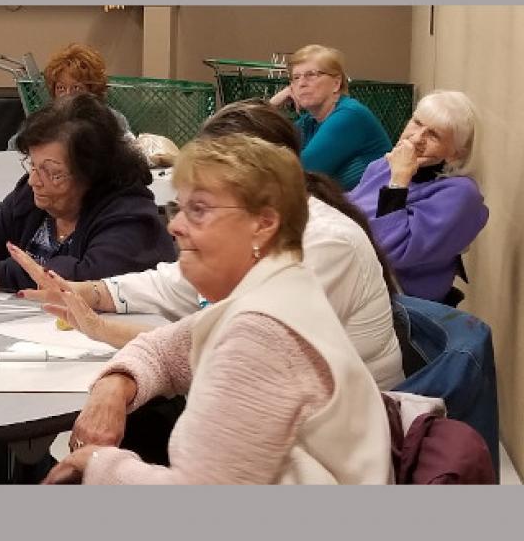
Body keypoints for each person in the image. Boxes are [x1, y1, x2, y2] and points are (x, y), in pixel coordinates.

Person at [43, 134, 393, 484]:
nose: (174, 226)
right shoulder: (280, 289)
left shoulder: (261, 335)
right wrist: (115, 386)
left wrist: (99, 465)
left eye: (199, 210)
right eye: (179, 208)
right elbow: (164, 349)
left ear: (264, 223)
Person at [20, 99, 405, 390]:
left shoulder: (325, 244)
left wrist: (102, 330)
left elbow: (227, 350)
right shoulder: (262, 223)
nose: (176, 228)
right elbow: (176, 285)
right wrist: (91, 292)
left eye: (202, 203)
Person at [0, 93, 174, 296]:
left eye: (52, 172)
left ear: (93, 172)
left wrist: (0, 274)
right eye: (32, 165)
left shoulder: (129, 215)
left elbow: (88, 277)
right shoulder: (31, 196)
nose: (35, 180)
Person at [348, 90, 488, 303]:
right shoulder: (384, 166)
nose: (416, 138)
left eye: (434, 135)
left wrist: (399, 181)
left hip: (397, 303)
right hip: (354, 277)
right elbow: (347, 210)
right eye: (416, 122)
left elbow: (391, 251)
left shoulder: (460, 195)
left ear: (456, 153)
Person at [268, 44, 392, 190]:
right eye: (295, 78)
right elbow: (257, 148)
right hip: (341, 207)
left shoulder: (349, 115)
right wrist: (271, 106)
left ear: (336, 83)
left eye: (311, 75)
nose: (301, 83)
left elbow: (300, 173)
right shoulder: (310, 121)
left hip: (371, 209)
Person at [8, 43, 132, 148]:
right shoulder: (43, 121)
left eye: (76, 88)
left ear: (92, 90)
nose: (67, 95)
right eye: (61, 88)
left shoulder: (113, 121)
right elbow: (14, 146)